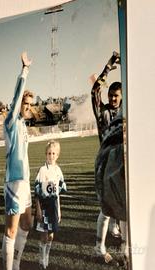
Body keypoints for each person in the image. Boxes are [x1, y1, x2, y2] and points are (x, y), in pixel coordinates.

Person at [2, 52, 34, 270]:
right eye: (26, 103)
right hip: (14, 182)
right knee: (11, 230)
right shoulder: (12, 121)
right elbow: (16, 100)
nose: (28, 106)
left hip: (25, 183)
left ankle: (16, 263)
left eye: (31, 104)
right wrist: (25, 71)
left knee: (27, 224)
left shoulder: (23, 125)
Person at [90, 52, 124, 263]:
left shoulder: (125, 112)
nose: (112, 98)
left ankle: (125, 247)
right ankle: (99, 249)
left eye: (116, 95)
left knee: (124, 206)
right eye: (110, 95)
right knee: (106, 209)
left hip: (122, 164)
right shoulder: (102, 112)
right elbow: (95, 90)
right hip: (105, 166)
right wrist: (109, 65)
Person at [34, 140, 67, 269]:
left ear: (57, 155)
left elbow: (60, 191)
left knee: (51, 235)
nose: (51, 156)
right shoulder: (42, 170)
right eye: (49, 153)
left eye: (53, 153)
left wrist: (59, 210)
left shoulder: (58, 171)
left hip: (54, 207)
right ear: (45, 154)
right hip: (43, 207)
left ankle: (47, 255)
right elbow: (37, 192)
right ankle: (42, 259)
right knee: (44, 235)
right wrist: (37, 209)